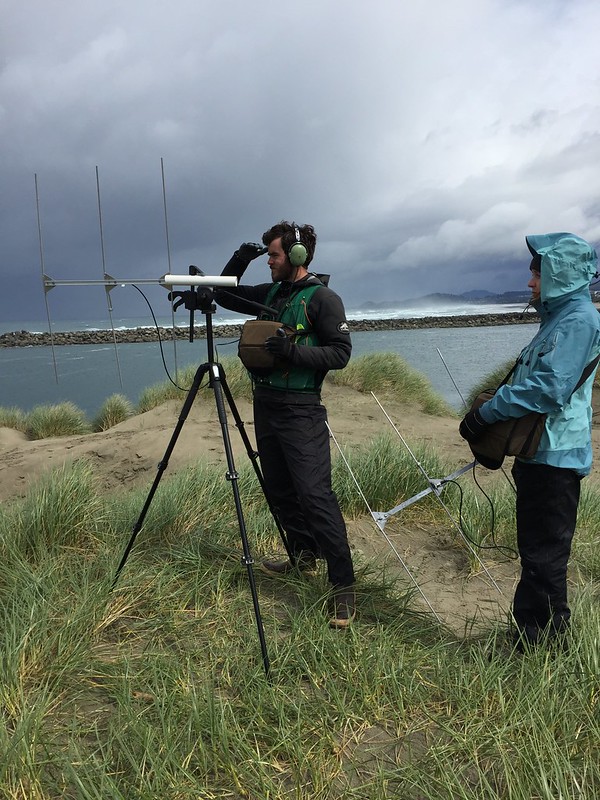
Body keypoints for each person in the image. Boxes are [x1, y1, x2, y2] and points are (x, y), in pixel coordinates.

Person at [459, 232, 600, 650]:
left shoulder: (578, 321)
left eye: (537, 275)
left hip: (556, 457)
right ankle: (537, 640)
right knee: (537, 553)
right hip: (540, 454)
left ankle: (537, 649)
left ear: (561, 275)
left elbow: (548, 389)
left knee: (544, 558)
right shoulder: (558, 319)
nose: (530, 284)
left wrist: (485, 413)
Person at [215, 221, 356, 628]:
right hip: (266, 406)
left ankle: (343, 586)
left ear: (297, 255)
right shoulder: (274, 293)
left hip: (301, 410)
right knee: (279, 489)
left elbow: (340, 353)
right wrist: (240, 259)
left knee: (315, 495)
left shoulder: (323, 299)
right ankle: (303, 557)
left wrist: (293, 352)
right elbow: (224, 294)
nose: (270, 263)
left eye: (273, 255)